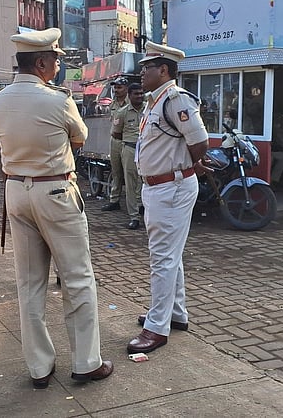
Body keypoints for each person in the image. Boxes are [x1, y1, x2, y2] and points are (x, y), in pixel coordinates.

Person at [0, 27, 112, 389]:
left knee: (29, 283)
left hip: (16, 191)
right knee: (77, 277)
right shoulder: (58, 100)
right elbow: (80, 137)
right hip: (55, 191)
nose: (58, 64)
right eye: (56, 59)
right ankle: (86, 362)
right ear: (42, 62)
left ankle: (39, 367)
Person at [129, 42, 209, 355]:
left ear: (163, 70)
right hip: (160, 187)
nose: (141, 73)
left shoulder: (175, 99)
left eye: (146, 68)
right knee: (169, 256)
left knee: (162, 257)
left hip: (172, 187)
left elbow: (199, 141)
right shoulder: (156, 101)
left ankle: (157, 328)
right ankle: (175, 314)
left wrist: (189, 163)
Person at [111, 82, 144, 230]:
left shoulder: (148, 110)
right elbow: (116, 133)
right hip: (130, 149)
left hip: (146, 150)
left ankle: (144, 208)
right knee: (130, 184)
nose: (140, 96)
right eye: (136, 94)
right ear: (130, 96)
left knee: (145, 181)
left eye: (141, 93)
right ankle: (134, 217)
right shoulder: (122, 112)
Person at [101, 78, 129, 211]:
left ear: (126, 88)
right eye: (115, 88)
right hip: (115, 141)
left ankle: (136, 204)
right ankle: (114, 200)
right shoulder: (113, 104)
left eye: (119, 87)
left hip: (128, 141)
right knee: (116, 171)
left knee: (131, 174)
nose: (116, 90)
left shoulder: (133, 102)